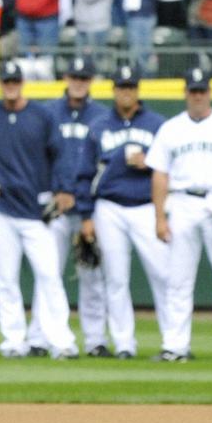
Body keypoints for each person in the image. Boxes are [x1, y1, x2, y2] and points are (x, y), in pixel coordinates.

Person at [0, 60, 79, 360]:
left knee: (49, 274)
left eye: (14, 81)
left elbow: (60, 153)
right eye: (6, 81)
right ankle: (13, 340)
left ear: (22, 82)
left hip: (37, 209)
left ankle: (60, 340)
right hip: (2, 207)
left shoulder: (41, 116)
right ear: (0, 83)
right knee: (5, 277)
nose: (10, 86)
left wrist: (63, 189)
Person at [146, 68, 212, 362]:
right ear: (185, 93)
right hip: (183, 202)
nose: (197, 96)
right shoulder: (171, 128)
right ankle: (175, 346)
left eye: (201, 91)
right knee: (178, 278)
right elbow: (160, 174)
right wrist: (159, 217)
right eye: (193, 91)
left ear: (210, 92)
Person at [78, 64, 169, 359]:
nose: (126, 92)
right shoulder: (100, 125)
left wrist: (151, 162)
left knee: (163, 274)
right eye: (121, 87)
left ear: (138, 90)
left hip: (146, 206)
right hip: (110, 207)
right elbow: (85, 172)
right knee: (115, 279)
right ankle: (124, 344)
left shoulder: (157, 124)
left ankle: (174, 341)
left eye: (130, 87)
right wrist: (86, 215)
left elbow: (171, 169)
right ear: (114, 90)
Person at [27, 57, 109, 358]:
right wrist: (57, 190)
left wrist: (83, 199)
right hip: (56, 206)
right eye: (75, 76)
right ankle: (38, 336)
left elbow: (105, 163)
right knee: (48, 273)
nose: (79, 81)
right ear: (65, 77)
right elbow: (38, 156)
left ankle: (95, 339)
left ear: (91, 80)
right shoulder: (47, 112)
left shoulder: (101, 116)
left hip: (90, 208)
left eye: (84, 77)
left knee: (92, 275)